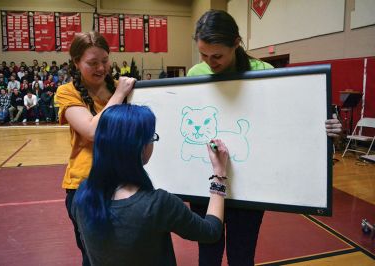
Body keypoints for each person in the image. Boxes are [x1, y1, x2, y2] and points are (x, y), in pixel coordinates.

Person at [187, 10, 343, 266]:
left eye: (217, 56)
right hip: (206, 184)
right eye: (204, 55)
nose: (210, 62)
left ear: (236, 43)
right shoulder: (196, 74)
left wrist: (325, 129)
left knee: (242, 256)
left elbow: (287, 125)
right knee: (208, 255)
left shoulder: (264, 72)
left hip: (251, 185)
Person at [71, 104, 229, 265]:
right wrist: (219, 174)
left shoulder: (83, 193)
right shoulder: (157, 204)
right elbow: (211, 231)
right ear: (141, 147)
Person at [55, 31, 136, 266]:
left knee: (126, 254)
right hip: (85, 187)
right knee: (95, 258)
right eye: (92, 63)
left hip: (123, 183)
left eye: (105, 60)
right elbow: (91, 131)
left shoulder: (120, 88)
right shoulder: (67, 92)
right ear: (76, 62)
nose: (101, 68)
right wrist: (120, 94)